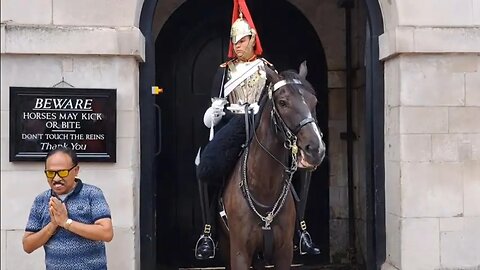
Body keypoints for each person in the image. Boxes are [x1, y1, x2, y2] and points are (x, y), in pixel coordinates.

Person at [194, 0, 320, 260]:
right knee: (207, 165)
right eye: (234, 41)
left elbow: (280, 101)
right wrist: (212, 115)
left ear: (252, 39)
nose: (237, 46)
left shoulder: (268, 69)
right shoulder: (224, 72)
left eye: (241, 40)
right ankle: (208, 231)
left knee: (299, 164)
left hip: (265, 124)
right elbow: (214, 103)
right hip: (234, 125)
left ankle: (301, 230)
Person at [23, 147, 113, 269]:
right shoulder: (41, 200)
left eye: (62, 172)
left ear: (76, 170)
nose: (56, 178)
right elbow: (28, 245)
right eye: (50, 173)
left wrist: (66, 222)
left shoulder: (92, 194)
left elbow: (106, 233)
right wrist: (53, 225)